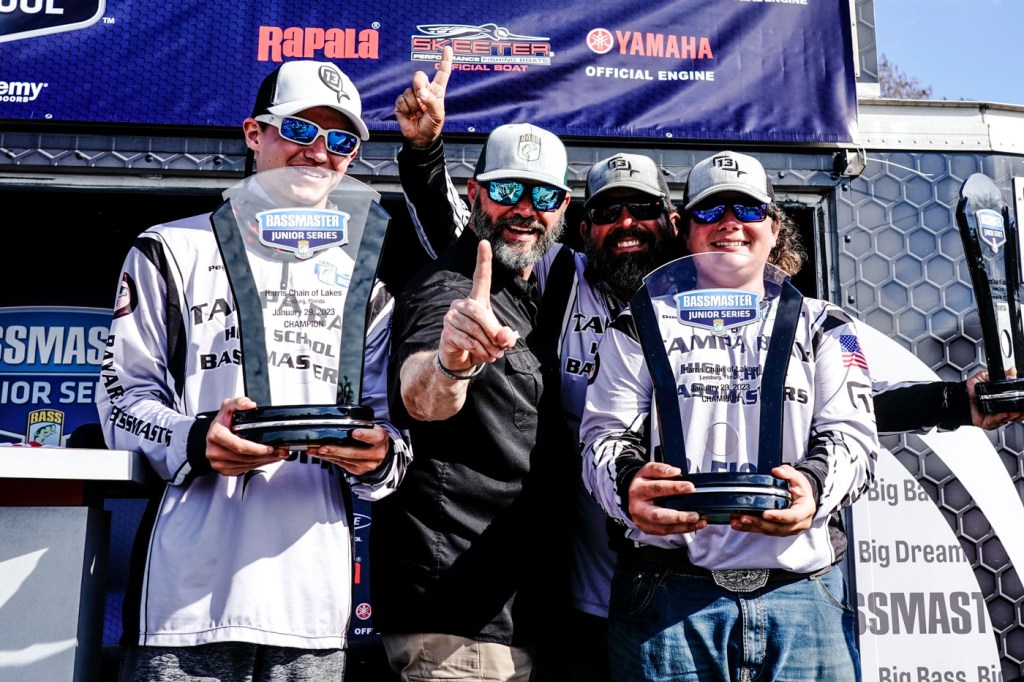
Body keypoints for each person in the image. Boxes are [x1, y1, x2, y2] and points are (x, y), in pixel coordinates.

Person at [97, 60, 419, 682]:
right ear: (253, 133)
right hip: (186, 604)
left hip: (312, 611)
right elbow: (121, 402)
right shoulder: (169, 250)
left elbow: (393, 443)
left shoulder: (366, 285)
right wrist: (197, 438)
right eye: (299, 129)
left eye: (340, 140)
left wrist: (377, 454)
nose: (319, 152)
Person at [578, 150, 880, 681]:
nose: (730, 223)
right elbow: (602, 437)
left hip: (802, 594)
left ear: (774, 226)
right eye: (710, 211)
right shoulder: (638, 324)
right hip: (667, 596)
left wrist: (812, 488)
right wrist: (628, 488)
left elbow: (854, 438)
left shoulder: (825, 324)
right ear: (685, 229)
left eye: (748, 209)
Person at [370, 121, 578, 682]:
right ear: (474, 192)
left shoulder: (535, 291)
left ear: (563, 207)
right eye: (508, 190)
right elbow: (421, 398)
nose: (525, 209)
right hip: (456, 628)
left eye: (543, 196)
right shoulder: (448, 289)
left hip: (516, 616)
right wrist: (449, 365)